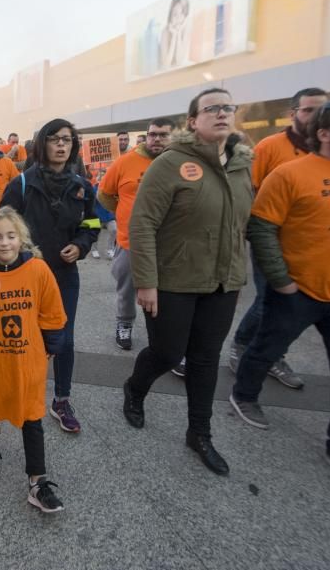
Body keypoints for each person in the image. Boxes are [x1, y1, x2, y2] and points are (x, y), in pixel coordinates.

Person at [231, 99, 330, 495]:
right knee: (266, 348)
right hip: (297, 291)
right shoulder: (289, 174)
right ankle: (244, 394)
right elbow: (263, 227)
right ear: (323, 133)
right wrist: (282, 280)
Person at [122, 88, 253, 476]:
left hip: (221, 283)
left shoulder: (242, 165)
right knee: (166, 352)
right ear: (193, 121)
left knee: (205, 358)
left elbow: (249, 222)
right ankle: (135, 389)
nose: (222, 113)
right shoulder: (171, 163)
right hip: (173, 281)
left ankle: (200, 433)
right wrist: (146, 282)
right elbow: (142, 223)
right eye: (212, 108)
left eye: (228, 107)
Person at [0, 207, 67, 513]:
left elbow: (52, 311)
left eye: (11, 236)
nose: (5, 243)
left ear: (21, 238)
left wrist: (52, 343)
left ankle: (37, 481)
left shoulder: (37, 270)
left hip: (28, 358)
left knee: (32, 414)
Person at [0, 119, 99, 433]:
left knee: (64, 339)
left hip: (65, 274)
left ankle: (61, 400)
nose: (61, 145)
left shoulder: (82, 186)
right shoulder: (22, 183)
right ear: (42, 144)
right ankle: (23, 390)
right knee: (25, 337)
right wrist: (20, 254)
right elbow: (1, 226)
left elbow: (93, 224)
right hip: (26, 276)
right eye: (54, 139)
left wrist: (81, 245)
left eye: (67, 140)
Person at [229, 88, 328, 387]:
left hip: (313, 243)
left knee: (292, 304)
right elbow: (248, 191)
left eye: (322, 110)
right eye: (308, 110)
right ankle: (245, 345)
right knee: (270, 299)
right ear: (293, 113)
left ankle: (270, 353)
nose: (315, 116)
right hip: (271, 238)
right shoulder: (271, 147)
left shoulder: (328, 150)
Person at [98, 118, 173, 350]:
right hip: (130, 242)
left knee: (169, 293)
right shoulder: (125, 162)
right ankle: (124, 324)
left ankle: (167, 334)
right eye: (153, 134)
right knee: (126, 289)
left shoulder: (179, 163)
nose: (157, 139)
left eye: (163, 135)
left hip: (170, 243)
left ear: (172, 138)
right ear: (147, 136)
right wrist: (123, 213)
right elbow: (104, 195)